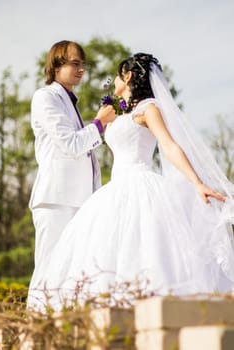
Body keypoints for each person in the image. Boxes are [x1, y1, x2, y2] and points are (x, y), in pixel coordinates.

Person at [28, 53, 234, 312]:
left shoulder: (149, 109)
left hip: (142, 186)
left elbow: (169, 146)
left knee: (147, 248)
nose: (113, 80)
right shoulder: (119, 115)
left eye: (117, 75)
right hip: (113, 191)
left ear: (127, 77)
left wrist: (196, 182)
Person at [27, 40, 116, 308]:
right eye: (74, 63)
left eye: (83, 64)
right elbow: (71, 144)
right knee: (48, 271)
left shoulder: (69, 101)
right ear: (56, 65)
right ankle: (33, 336)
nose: (81, 70)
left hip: (79, 201)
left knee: (71, 273)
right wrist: (99, 123)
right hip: (56, 200)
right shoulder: (45, 97)